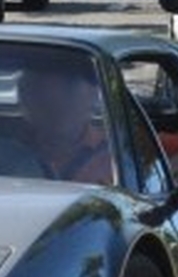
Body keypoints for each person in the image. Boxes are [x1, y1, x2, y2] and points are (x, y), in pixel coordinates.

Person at [17, 58, 115, 186]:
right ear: (24, 101)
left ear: (94, 96)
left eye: (69, 88)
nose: (56, 100)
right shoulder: (1, 151)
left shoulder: (116, 156)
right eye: (40, 91)